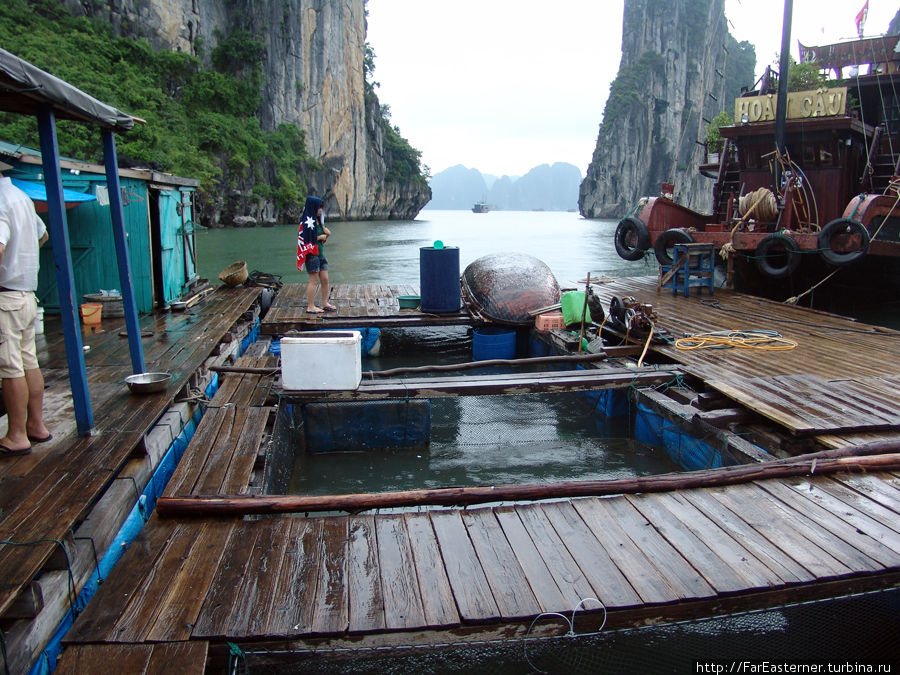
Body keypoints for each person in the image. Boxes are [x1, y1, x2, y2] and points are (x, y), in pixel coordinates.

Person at [0, 160, 51, 456]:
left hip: (6, 296)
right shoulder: (21, 197)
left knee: (10, 367)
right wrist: (25, 259)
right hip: (27, 295)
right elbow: (42, 234)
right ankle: (36, 425)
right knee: (28, 361)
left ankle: (17, 435)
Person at [296, 193, 335, 313]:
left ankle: (324, 302)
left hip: (320, 254)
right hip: (312, 255)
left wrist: (324, 234)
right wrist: (320, 237)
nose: (321, 210)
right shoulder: (307, 223)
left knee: (325, 279)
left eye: (321, 207)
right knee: (313, 281)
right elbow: (306, 239)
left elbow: (326, 234)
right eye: (319, 207)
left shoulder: (318, 222)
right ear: (313, 207)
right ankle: (310, 306)